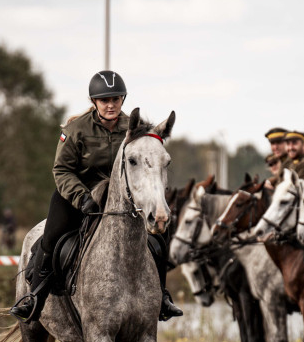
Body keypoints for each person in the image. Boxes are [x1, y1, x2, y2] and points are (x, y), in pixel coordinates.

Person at [10, 71, 181, 322]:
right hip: (79, 195)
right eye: (104, 100)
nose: (110, 104)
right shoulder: (76, 130)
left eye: (115, 99)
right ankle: (36, 295)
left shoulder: (132, 129)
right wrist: (82, 198)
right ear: (94, 102)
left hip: (121, 198)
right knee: (52, 234)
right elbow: (61, 170)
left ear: (122, 100)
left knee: (161, 231)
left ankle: (162, 296)